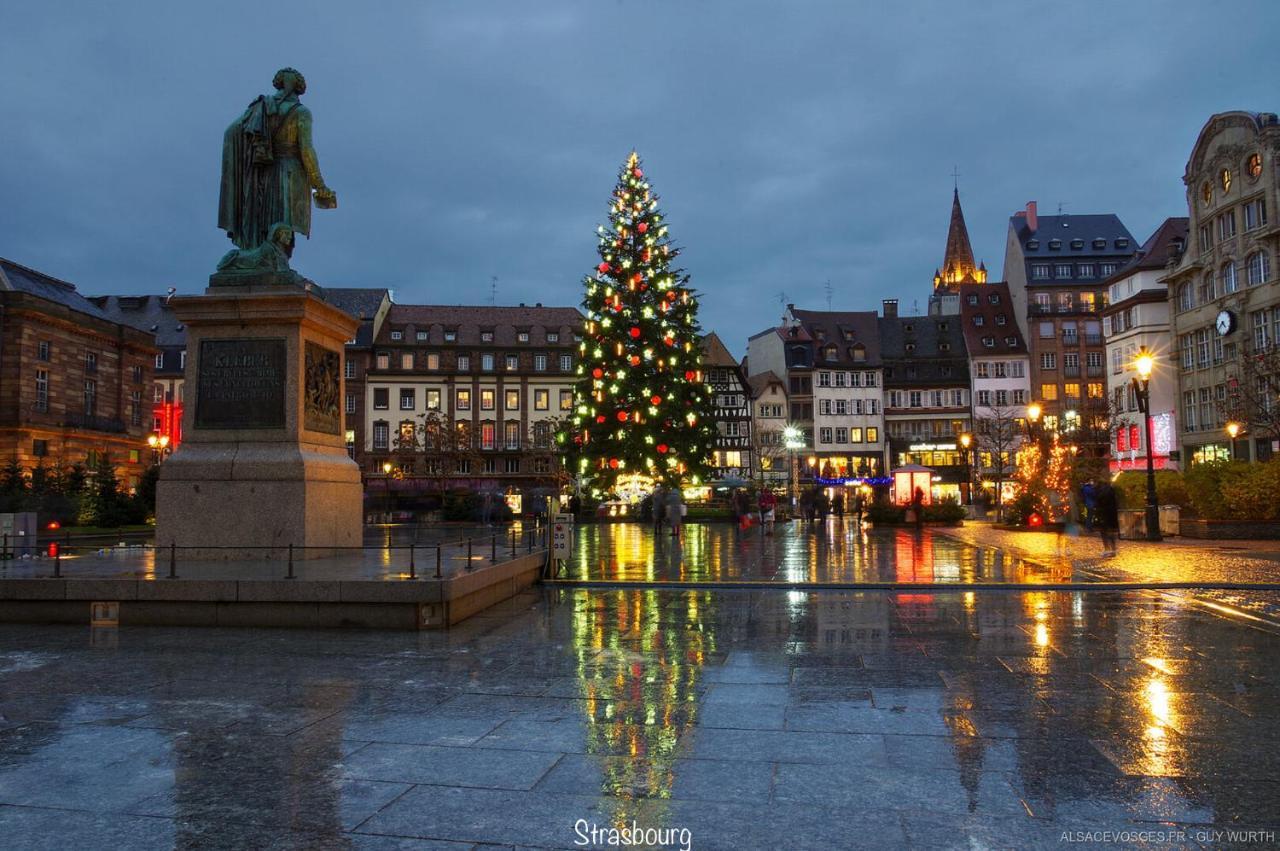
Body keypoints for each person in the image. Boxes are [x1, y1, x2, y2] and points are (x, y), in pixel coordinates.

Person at [219, 68, 337, 253]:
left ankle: (266, 262)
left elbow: (232, 131)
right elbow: (306, 150)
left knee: (264, 225)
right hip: (290, 175)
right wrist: (319, 185)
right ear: (299, 88)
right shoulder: (302, 112)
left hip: (262, 175)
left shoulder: (261, 107)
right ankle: (276, 264)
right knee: (284, 228)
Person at [1094, 479, 1119, 557]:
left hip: (1104, 514)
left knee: (1104, 532)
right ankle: (1113, 549)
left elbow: (1099, 503)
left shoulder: (1101, 492)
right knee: (1111, 532)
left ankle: (1107, 549)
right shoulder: (1111, 490)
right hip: (1112, 514)